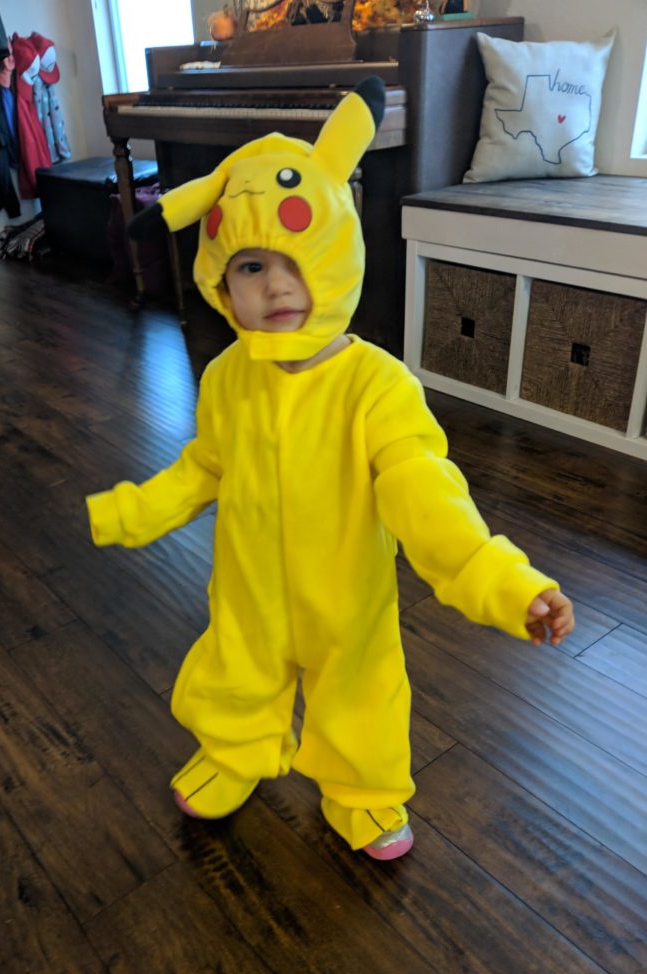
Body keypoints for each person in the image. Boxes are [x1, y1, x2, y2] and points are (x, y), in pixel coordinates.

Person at [86, 78, 574, 861]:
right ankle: (235, 752)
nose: (276, 285)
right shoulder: (229, 377)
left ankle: (363, 792)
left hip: (345, 603)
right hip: (247, 590)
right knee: (234, 675)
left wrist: (502, 580)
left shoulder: (376, 386)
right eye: (250, 266)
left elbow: (427, 495)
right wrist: (134, 511)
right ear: (220, 282)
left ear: (336, 249)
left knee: (361, 696)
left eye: (297, 257)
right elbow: (205, 465)